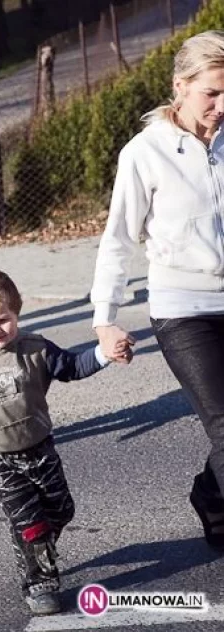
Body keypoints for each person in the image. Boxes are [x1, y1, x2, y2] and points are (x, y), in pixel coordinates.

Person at [91, 30, 224, 551]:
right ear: (180, 86)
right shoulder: (144, 154)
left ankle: (211, 495)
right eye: (211, 92)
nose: (221, 104)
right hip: (182, 308)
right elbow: (118, 239)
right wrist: (105, 317)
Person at [0, 269, 112, 615]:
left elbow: (73, 367)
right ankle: (39, 582)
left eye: (4, 319)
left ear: (17, 314)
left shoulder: (36, 350)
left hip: (39, 445)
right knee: (30, 521)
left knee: (61, 510)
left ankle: (35, 545)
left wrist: (106, 354)